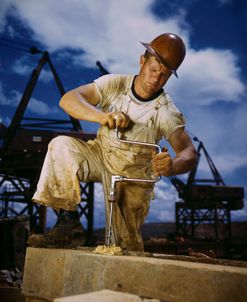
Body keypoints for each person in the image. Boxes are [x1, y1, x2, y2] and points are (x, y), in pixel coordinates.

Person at [28, 33, 197, 251]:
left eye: (163, 75)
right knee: (61, 145)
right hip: (99, 156)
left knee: (123, 247)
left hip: (133, 177)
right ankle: (68, 224)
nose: (156, 79)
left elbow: (189, 151)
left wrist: (173, 165)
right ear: (142, 60)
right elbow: (68, 99)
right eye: (154, 69)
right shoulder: (115, 85)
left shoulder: (165, 111)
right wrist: (102, 117)